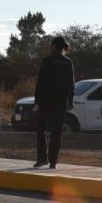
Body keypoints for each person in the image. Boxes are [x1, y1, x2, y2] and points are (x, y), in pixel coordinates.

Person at [31, 36, 75, 168]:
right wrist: (70, 100)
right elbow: (71, 83)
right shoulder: (68, 62)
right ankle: (53, 161)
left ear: (55, 46)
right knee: (56, 131)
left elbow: (41, 81)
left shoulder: (48, 61)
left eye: (51, 45)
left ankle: (42, 158)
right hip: (60, 101)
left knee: (41, 129)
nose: (50, 47)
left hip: (46, 100)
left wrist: (37, 100)